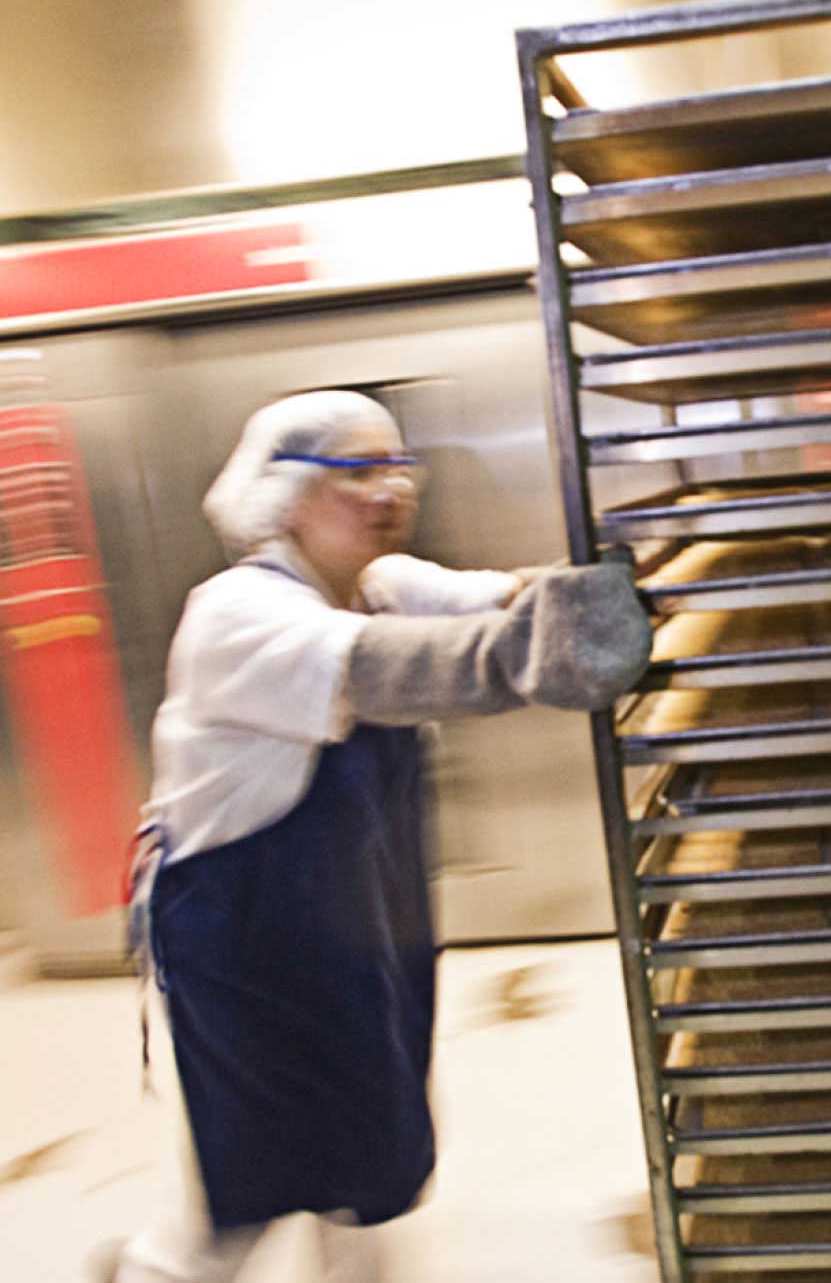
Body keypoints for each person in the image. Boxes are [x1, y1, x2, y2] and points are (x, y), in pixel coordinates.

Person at [92, 390, 653, 1282]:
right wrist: (543, 652)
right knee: (256, 1171)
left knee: (372, 1143)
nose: (390, 488)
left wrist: (621, 581)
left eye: (399, 465)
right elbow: (401, 669)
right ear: (283, 495)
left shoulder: (382, 584)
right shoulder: (235, 613)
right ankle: (157, 1272)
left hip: (358, 922)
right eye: (356, 470)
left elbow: (503, 598)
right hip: (245, 939)